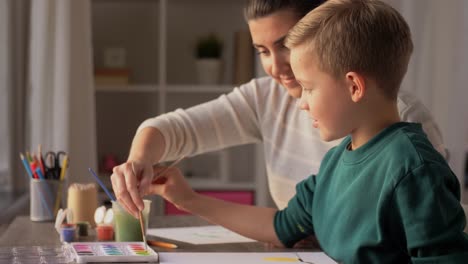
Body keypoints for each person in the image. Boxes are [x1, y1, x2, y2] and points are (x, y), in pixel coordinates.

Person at [136, 0, 468, 262]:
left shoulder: (415, 167)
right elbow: (281, 227)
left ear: (353, 86)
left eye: (308, 88)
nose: (300, 103)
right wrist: (188, 200)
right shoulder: (337, 161)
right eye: (262, 51)